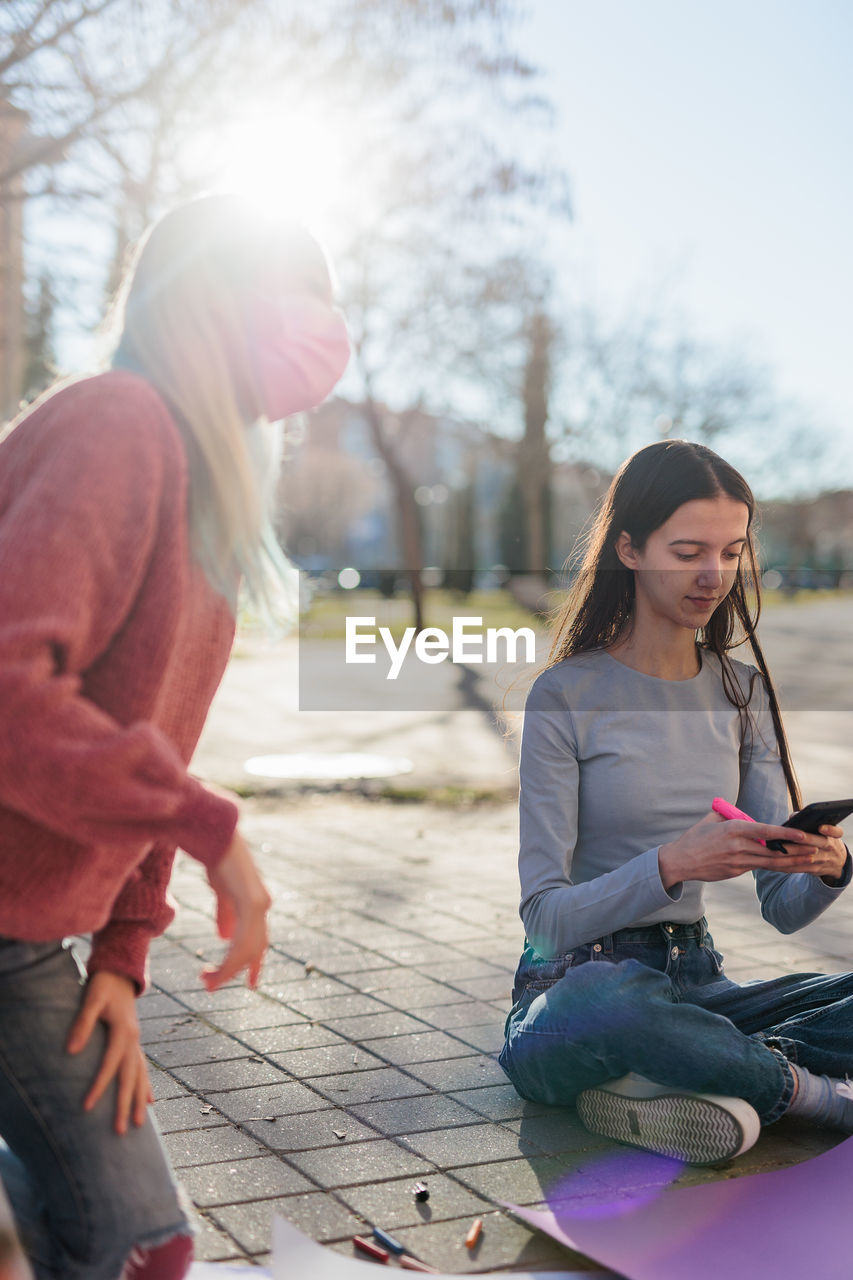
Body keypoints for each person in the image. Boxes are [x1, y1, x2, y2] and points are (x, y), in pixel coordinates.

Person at [0, 194, 350, 1278]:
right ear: (212, 296)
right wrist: (213, 835)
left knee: (97, 1231)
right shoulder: (120, 421)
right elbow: (13, 690)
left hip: (24, 930)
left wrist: (122, 949)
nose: (322, 328)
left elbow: (152, 746)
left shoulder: (208, 500)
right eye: (299, 293)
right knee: (138, 1244)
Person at [499, 439, 853, 1166]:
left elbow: (779, 907)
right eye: (688, 550)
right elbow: (544, 916)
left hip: (698, 984)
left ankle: (699, 1070)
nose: (712, 574)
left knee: (673, 1016)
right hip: (576, 989)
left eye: (730, 552)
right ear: (628, 548)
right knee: (610, 1005)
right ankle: (807, 1093)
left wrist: (825, 866)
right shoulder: (564, 696)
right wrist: (669, 864)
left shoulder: (740, 691)